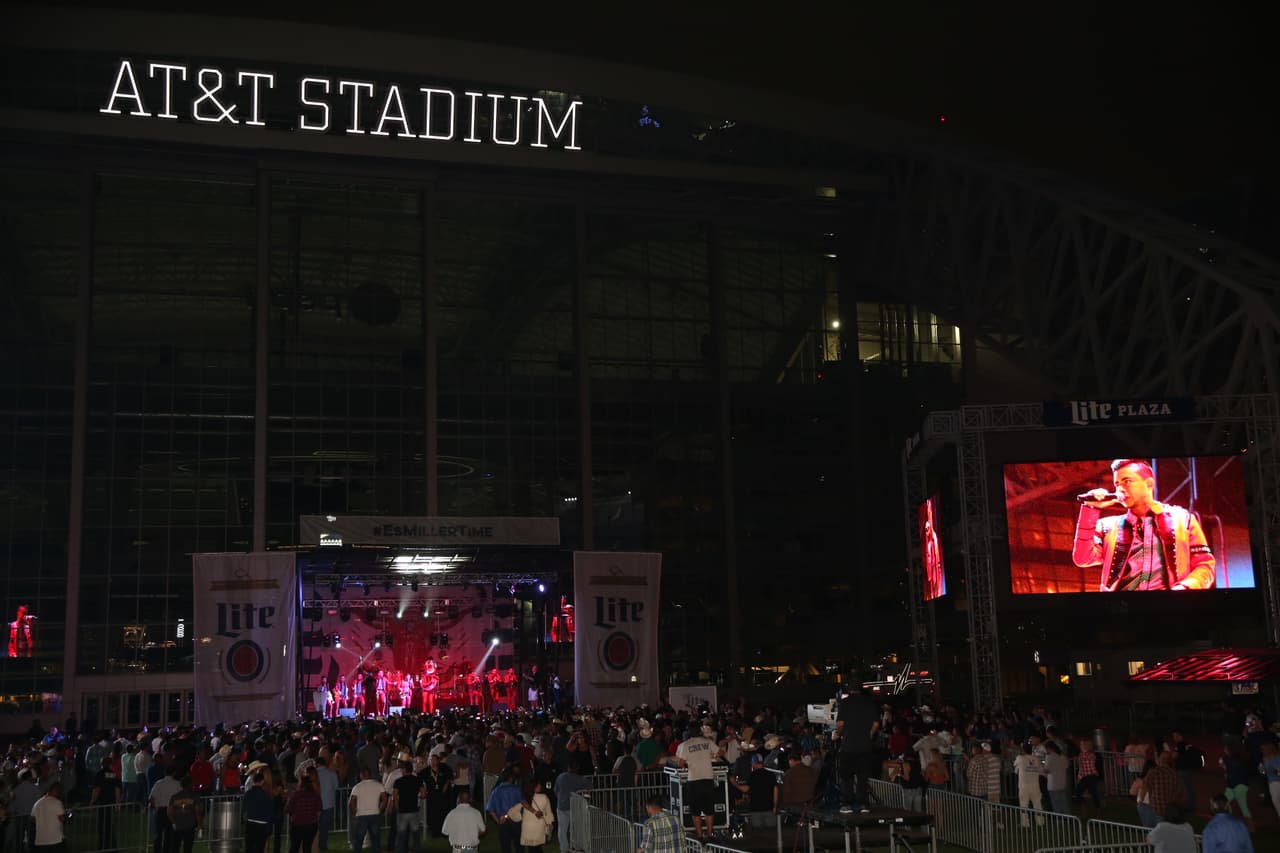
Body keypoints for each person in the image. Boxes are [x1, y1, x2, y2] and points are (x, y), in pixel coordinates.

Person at [1074, 458, 1216, 590]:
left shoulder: (1183, 520)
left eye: (1127, 481)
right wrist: (1090, 508)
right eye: (1117, 484)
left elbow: (1205, 565)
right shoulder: (1107, 526)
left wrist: (1185, 587)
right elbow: (1082, 559)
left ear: (1149, 484)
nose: (1120, 489)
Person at [834, 679, 880, 814]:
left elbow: (840, 724)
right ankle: (863, 804)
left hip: (848, 745)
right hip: (865, 746)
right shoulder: (869, 702)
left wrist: (837, 734)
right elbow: (876, 724)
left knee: (846, 777)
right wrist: (869, 734)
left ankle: (846, 804)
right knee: (862, 777)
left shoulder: (845, 702)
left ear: (849, 690)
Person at [675, 724, 717, 839]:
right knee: (709, 809)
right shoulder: (707, 742)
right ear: (700, 732)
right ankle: (710, 833)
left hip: (694, 780)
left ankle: (699, 835)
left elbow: (681, 764)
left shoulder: (685, 745)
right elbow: (720, 752)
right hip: (708, 778)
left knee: (695, 810)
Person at [505, 780, 554, 853]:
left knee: (531, 848)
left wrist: (517, 816)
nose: (540, 786)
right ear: (535, 787)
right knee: (537, 847)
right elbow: (548, 812)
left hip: (527, 826)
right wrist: (549, 823)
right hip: (539, 826)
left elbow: (513, 810)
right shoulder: (544, 797)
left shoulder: (525, 797)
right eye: (539, 785)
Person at [90, 754, 125, 851]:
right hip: (111, 803)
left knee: (102, 826)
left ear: (101, 764)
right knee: (109, 825)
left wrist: (92, 801)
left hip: (102, 803)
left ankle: (103, 845)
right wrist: (117, 803)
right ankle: (111, 845)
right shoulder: (113, 774)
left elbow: (97, 789)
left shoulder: (100, 774)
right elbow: (117, 789)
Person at [348, 766, 386, 853]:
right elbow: (385, 799)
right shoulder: (378, 785)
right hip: (375, 814)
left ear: (361, 775)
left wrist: (354, 813)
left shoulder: (357, 787)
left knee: (359, 839)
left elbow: (351, 802)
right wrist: (380, 809)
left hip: (361, 815)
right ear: (370, 774)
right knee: (375, 839)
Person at [553, 759, 589, 852]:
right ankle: (577, 847)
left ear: (568, 767)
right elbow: (589, 788)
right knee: (576, 828)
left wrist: (560, 798)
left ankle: (564, 848)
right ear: (577, 768)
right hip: (574, 806)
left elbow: (555, 790)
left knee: (562, 829)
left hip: (561, 806)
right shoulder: (580, 779)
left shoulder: (560, 776)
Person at [390, 759, 424, 853]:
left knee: (401, 835)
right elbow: (423, 793)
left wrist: (397, 807)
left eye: (402, 769)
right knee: (416, 835)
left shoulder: (398, 781)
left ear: (405, 770)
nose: (401, 771)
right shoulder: (417, 780)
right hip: (414, 810)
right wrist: (418, 796)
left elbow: (394, 795)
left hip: (402, 811)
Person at [486, 768, 523, 853]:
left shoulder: (496, 790)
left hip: (503, 821)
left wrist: (497, 821)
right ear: (510, 778)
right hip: (516, 821)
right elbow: (523, 804)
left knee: (505, 846)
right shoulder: (516, 789)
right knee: (519, 845)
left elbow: (490, 809)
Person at [284, 774, 322, 853]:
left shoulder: (296, 795)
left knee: (294, 847)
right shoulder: (315, 795)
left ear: (301, 784)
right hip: (311, 825)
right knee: (307, 847)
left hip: (298, 824)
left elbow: (288, 809)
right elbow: (319, 810)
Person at [242, 771, 275, 853]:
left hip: (250, 822)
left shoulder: (248, 793)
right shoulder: (266, 795)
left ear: (253, 780)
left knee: (249, 847)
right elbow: (270, 811)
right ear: (262, 781)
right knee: (260, 848)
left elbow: (244, 808)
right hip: (262, 824)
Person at [167, 777, 203, 853]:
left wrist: (174, 822)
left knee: (175, 848)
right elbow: (198, 812)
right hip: (189, 825)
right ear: (190, 785)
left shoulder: (174, 797)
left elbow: (169, 812)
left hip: (177, 825)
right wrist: (200, 824)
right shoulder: (194, 796)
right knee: (187, 848)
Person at [314, 755, 339, 851]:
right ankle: (323, 845)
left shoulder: (314, 774)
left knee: (315, 826)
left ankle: (314, 845)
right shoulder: (332, 773)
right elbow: (336, 786)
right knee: (325, 827)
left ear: (317, 764)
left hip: (316, 804)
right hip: (328, 803)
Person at [1042, 741, 1071, 814]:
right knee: (1064, 803)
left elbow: (1046, 770)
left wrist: (1042, 766)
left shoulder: (1049, 757)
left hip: (1053, 784)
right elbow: (1067, 766)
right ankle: (1068, 817)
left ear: (1049, 748)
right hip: (1062, 782)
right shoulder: (1063, 756)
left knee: (1056, 804)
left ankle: (1059, 818)